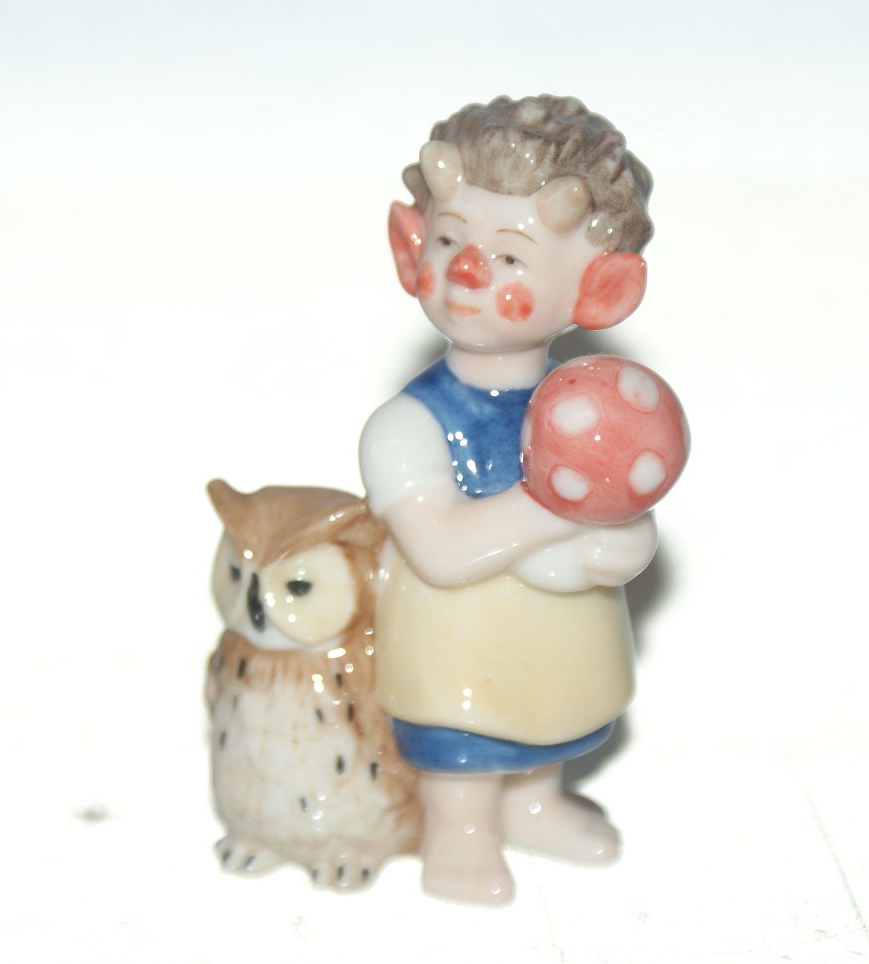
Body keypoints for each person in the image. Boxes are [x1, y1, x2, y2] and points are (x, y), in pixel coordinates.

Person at [359, 94, 660, 904]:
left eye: (511, 259)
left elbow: (629, 518)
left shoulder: (596, 413)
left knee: (554, 707)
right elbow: (441, 550)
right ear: (410, 248)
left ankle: (534, 805)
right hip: (451, 632)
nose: (468, 273)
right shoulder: (405, 427)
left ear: (599, 291)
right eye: (450, 241)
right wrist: (563, 500)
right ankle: (459, 833)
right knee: (461, 729)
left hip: (557, 633)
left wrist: (624, 542)